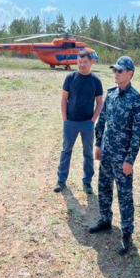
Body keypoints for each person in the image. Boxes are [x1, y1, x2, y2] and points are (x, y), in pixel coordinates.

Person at [88, 56, 140, 255]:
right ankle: (105, 219)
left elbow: (137, 133)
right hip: (106, 153)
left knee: (124, 195)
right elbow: (102, 121)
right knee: (103, 187)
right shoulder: (110, 95)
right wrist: (98, 145)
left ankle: (127, 232)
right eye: (114, 70)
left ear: (130, 74)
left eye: (120, 71)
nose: (116, 73)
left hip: (122, 158)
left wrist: (130, 160)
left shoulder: (136, 99)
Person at [54, 49, 103, 194]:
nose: (82, 65)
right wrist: (65, 119)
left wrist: (92, 120)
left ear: (91, 62)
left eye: (85, 62)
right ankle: (61, 180)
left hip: (87, 123)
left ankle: (87, 182)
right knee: (66, 151)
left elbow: (100, 102)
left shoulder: (96, 81)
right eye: (79, 62)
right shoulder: (70, 78)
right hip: (70, 122)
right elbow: (64, 99)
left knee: (88, 153)